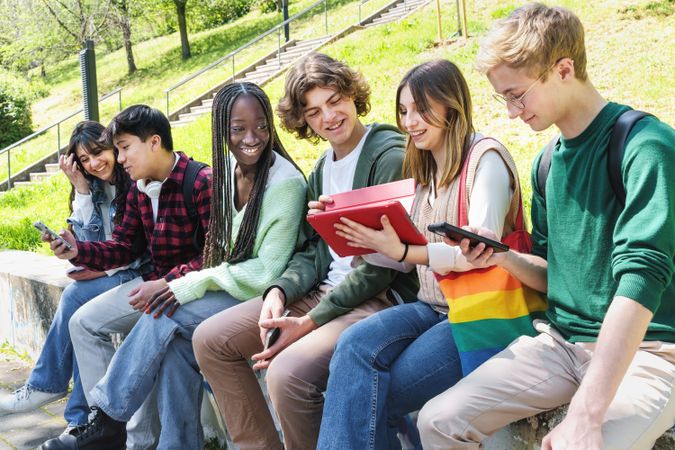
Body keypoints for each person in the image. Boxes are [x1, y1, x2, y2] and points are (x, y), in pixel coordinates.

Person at [417, 4, 675, 450]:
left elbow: (641, 281)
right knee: (438, 420)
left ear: (563, 69)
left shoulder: (646, 146)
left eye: (517, 94)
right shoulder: (547, 163)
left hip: (649, 352)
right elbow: (555, 272)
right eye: (504, 99)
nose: (513, 112)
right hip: (559, 345)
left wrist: (586, 416)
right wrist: (505, 257)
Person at [39, 82, 307, 450]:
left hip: (261, 294)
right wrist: (78, 251)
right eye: (238, 128)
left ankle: (108, 419)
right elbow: (204, 249)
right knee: (176, 351)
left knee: (163, 314)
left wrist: (177, 285)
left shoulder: (280, 184)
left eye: (261, 126)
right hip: (223, 285)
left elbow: (264, 271)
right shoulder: (228, 170)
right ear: (220, 130)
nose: (251, 137)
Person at [192, 52, 419, 450]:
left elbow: (381, 267)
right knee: (211, 339)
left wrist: (311, 320)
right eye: (313, 113)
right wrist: (278, 292)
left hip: (377, 298)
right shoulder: (322, 169)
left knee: (286, 375)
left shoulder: (389, 156)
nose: (328, 118)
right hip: (323, 294)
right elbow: (315, 250)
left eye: (334, 101)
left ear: (353, 94)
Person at [316, 59, 521, 450]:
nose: (410, 121)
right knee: (353, 345)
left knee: (375, 396)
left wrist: (409, 250)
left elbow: (482, 252)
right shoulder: (427, 166)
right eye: (404, 111)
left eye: (422, 110)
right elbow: (402, 244)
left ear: (451, 105)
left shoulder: (485, 160)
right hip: (432, 306)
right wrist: (336, 215)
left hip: (475, 313)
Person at [39, 105, 212, 450]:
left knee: (155, 321)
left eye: (124, 148)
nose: (119, 159)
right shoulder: (138, 188)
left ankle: (113, 426)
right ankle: (106, 424)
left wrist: (168, 282)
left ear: (154, 142)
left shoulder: (201, 182)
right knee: (83, 320)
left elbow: (215, 256)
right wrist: (77, 251)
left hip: (193, 288)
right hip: (155, 286)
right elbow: (122, 247)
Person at [0, 121, 143, 436]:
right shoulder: (96, 187)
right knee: (80, 303)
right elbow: (90, 243)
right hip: (117, 271)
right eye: (84, 159)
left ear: (115, 148)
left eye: (99, 152)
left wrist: (98, 266)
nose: (94, 163)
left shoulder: (132, 182)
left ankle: (51, 389)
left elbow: (128, 249)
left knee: (77, 297)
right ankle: (77, 417)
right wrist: (80, 187)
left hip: (140, 274)